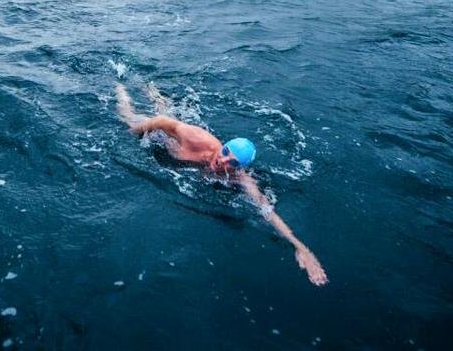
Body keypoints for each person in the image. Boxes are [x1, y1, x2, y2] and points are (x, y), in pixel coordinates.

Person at [116, 83, 328, 286]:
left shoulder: (239, 178)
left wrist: (300, 247)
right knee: (135, 117)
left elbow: (267, 210)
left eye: (233, 162)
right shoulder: (198, 138)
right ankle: (123, 87)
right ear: (223, 146)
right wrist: (135, 132)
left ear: (239, 167)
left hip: (175, 144)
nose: (223, 161)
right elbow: (161, 121)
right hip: (161, 135)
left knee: (168, 112)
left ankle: (151, 92)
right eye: (225, 152)